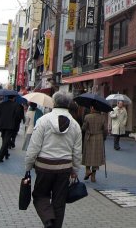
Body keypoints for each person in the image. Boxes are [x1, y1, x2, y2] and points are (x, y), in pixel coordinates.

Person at [24, 91, 82, 228]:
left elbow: (34, 146)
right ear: (68, 104)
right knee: (59, 202)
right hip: (64, 169)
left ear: (54, 103)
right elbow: (77, 151)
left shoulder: (43, 120)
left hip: (44, 167)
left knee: (39, 195)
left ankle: (48, 219)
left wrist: (28, 165)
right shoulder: (75, 125)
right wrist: (75, 169)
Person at [81, 104, 107, 182]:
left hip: (89, 137)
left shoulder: (87, 117)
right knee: (96, 157)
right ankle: (93, 177)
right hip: (99, 137)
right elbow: (105, 129)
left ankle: (87, 171)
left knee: (88, 155)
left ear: (92, 108)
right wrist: (104, 137)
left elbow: (84, 128)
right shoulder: (102, 117)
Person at [0, 94, 21, 162]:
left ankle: (6, 154)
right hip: (10, 125)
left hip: (2, 125)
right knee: (6, 141)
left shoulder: (2, 104)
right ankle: (0, 157)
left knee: (4, 139)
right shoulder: (16, 105)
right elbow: (17, 116)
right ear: (14, 98)